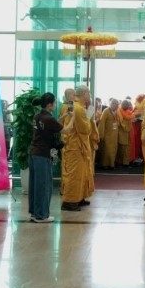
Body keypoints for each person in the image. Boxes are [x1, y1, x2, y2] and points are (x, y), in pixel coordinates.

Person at [28, 92, 62, 223]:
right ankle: (41, 215)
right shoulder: (48, 119)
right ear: (50, 104)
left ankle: (34, 212)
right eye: (54, 102)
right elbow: (66, 130)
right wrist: (74, 118)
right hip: (42, 154)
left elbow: (51, 125)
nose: (55, 104)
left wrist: (63, 116)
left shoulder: (37, 116)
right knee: (44, 184)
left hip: (33, 152)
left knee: (35, 184)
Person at [60, 86, 92, 211]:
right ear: (84, 94)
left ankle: (79, 197)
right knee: (74, 174)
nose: (89, 96)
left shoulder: (76, 106)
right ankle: (69, 201)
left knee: (82, 173)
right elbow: (86, 129)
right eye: (88, 93)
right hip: (75, 147)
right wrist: (89, 119)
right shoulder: (78, 109)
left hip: (77, 147)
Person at [116, 99, 133, 167]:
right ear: (123, 105)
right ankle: (120, 162)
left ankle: (126, 163)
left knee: (127, 147)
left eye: (128, 105)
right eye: (127, 105)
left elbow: (130, 117)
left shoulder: (127, 111)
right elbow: (121, 122)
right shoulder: (119, 111)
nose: (128, 106)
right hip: (122, 132)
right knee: (122, 147)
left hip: (128, 132)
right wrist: (126, 127)